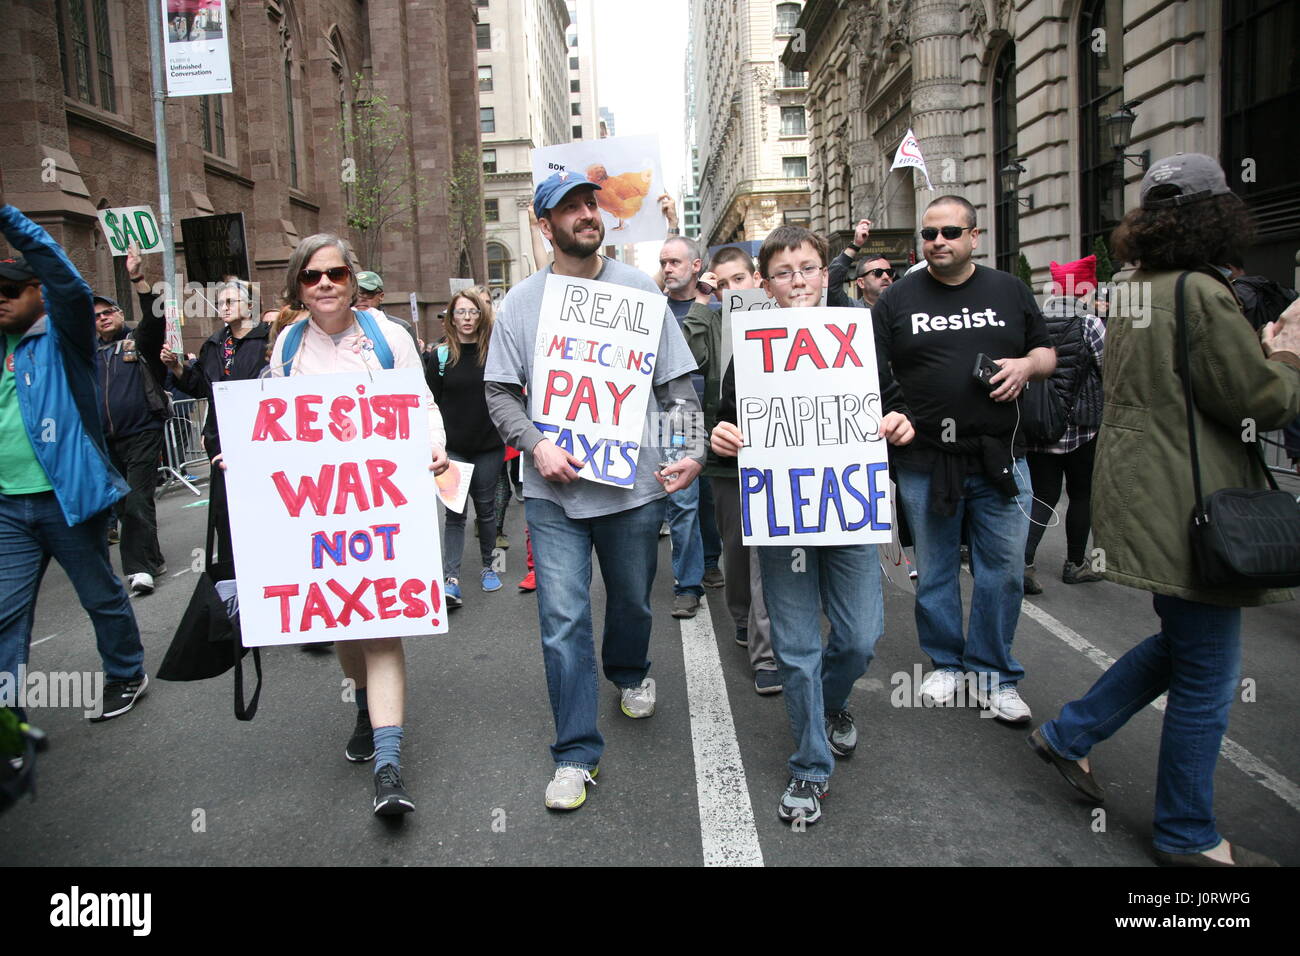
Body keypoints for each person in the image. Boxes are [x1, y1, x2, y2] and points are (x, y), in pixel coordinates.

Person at [1029, 153, 1300, 867]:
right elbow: (1256, 400)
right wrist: (1287, 358)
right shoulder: (1200, 294)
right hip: (1192, 502)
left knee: (1185, 646)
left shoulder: (1136, 284)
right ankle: (1186, 833)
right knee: (1209, 677)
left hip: (1153, 495)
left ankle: (1070, 734)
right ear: (1219, 216)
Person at [485, 172, 704, 812]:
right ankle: (576, 753)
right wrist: (536, 445)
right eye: (570, 208)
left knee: (632, 602)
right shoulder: (520, 304)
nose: (586, 214)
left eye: (590, 204)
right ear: (542, 222)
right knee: (562, 620)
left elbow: (677, 388)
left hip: (634, 492)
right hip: (554, 497)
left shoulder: (640, 291)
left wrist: (688, 451)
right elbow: (499, 391)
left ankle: (630, 670)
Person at [710, 224, 916, 824]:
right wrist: (724, 438)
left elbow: (893, 398)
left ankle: (832, 702)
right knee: (797, 648)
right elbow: (728, 421)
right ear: (765, 284)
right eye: (782, 272)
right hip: (785, 520)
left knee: (858, 637)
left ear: (824, 274)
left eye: (806, 268)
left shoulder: (858, 331)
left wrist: (898, 421)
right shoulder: (749, 346)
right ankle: (809, 765)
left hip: (848, 512)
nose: (796, 280)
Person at [263, 233, 448, 816]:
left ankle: (389, 763)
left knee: (383, 625)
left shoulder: (387, 337)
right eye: (312, 276)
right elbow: (273, 421)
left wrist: (435, 449)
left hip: (383, 505)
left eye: (336, 274)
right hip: (320, 512)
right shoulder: (287, 348)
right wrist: (245, 455)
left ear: (352, 279)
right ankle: (363, 704)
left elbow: (419, 404)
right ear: (298, 285)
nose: (325, 285)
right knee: (347, 627)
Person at [871, 195, 1056, 723]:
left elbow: (1047, 353)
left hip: (1001, 459)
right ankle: (947, 662)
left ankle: (995, 674)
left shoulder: (1009, 289)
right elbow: (873, 372)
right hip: (925, 460)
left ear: (975, 237)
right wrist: (892, 415)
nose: (938, 242)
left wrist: (1026, 365)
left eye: (951, 232)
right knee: (934, 569)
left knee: (1003, 572)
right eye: (929, 234)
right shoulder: (896, 299)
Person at [1, 202, 148, 724]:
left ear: (38, 294)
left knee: (99, 595)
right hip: (7, 508)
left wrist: (7, 218)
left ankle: (126, 673)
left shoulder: (64, 338)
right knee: (6, 617)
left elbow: (68, 281)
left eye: (10, 292)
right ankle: (8, 719)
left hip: (68, 499)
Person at [682, 245, 781, 694]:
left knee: (766, 552)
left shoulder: (780, 317)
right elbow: (687, 359)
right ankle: (741, 617)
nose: (730, 289)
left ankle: (768, 650)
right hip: (727, 457)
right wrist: (703, 303)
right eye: (720, 283)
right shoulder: (712, 320)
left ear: (757, 279)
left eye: (737, 279)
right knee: (737, 550)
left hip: (777, 456)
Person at [1023, 254, 1106, 594]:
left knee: (1043, 495)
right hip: (1082, 428)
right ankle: (1075, 564)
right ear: (1086, 289)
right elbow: (1108, 367)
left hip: (1042, 425)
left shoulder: (1037, 321)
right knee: (1081, 493)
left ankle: (1024, 563)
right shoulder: (1090, 324)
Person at [94, 244, 170, 596]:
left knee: (138, 498)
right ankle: (152, 558)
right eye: (96, 315)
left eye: (108, 311)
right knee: (125, 503)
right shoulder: (89, 353)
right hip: (108, 440)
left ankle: (139, 570)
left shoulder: (137, 343)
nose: (103, 318)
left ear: (120, 313)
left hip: (142, 432)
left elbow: (155, 319)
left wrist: (138, 277)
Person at [659, 232, 724, 616]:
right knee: (681, 502)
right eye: (664, 262)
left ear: (696, 266)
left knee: (710, 500)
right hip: (675, 421)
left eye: (675, 262)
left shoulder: (719, 312)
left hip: (715, 416)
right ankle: (687, 585)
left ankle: (711, 561)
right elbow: (682, 356)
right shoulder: (654, 311)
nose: (667, 268)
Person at [428, 286, 504, 606]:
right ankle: (451, 579)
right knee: (455, 514)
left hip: (489, 446)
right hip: (453, 449)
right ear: (452, 317)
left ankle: (493, 566)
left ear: (481, 315)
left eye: (473, 311)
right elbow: (428, 402)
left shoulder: (496, 353)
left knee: (488, 512)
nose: (467, 318)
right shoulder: (440, 356)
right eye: (461, 312)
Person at [827, 219, 896, 308]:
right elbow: (831, 285)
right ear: (861, 283)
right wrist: (855, 245)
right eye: (878, 273)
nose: (886, 277)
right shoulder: (853, 309)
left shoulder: (902, 308)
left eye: (889, 272)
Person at [356, 270, 419, 348]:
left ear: (381, 296)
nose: (360, 299)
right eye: (355, 294)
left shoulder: (401, 327)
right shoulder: (341, 328)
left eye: (367, 293)